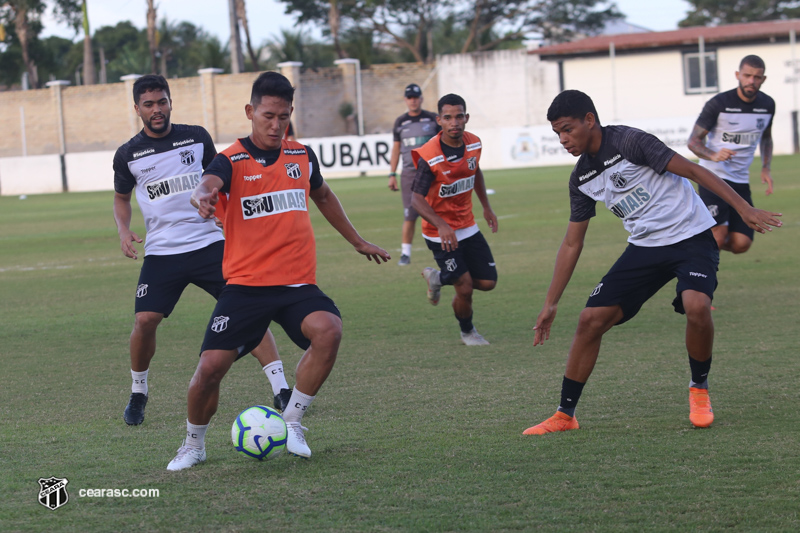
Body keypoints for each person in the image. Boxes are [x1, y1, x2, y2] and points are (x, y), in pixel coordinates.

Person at [167, 71, 390, 471]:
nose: (276, 124)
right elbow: (207, 184)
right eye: (268, 115)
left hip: (296, 284)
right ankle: (193, 444)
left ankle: (292, 422)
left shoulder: (301, 156)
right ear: (251, 112)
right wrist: (202, 196)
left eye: (283, 116)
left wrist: (358, 241)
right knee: (208, 371)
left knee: (329, 329)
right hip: (246, 287)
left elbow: (322, 194)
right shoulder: (231, 159)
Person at [524, 90, 781, 436]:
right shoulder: (582, 177)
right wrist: (550, 303)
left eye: (568, 129)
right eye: (557, 134)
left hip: (691, 235)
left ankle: (699, 389)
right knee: (590, 320)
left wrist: (744, 209)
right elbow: (572, 242)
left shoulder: (629, 141)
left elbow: (693, 170)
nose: (563, 140)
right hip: (645, 247)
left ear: (589, 120)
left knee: (697, 306)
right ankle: (565, 415)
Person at [113, 75, 291, 428]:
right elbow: (121, 198)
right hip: (163, 252)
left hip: (210, 243)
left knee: (249, 311)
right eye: (149, 104)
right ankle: (138, 391)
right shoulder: (128, 154)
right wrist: (122, 230)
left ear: (170, 102)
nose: (157, 109)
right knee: (145, 320)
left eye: (162, 101)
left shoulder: (196, 137)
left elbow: (221, 179)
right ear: (137, 109)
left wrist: (225, 214)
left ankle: (281, 387)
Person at [411, 93, 499, 346]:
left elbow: (475, 170)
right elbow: (416, 199)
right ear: (439, 120)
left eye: (459, 116)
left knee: (488, 282)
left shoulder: (474, 144)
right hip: (439, 232)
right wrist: (441, 225)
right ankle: (468, 332)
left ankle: (437, 278)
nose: (454, 122)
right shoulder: (430, 155)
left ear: (466, 118)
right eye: (448, 117)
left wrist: (486, 207)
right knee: (465, 286)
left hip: (468, 226)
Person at [688, 54, 775, 255]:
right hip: (712, 176)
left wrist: (765, 167)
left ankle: (694, 246)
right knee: (718, 235)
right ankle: (699, 279)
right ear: (738, 75)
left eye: (757, 77)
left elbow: (766, 138)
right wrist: (713, 154)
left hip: (740, 180)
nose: (751, 81)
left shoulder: (768, 105)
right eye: (747, 75)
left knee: (741, 244)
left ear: (763, 79)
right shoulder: (719, 103)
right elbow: (693, 142)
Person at [388, 83, 441, 266]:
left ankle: (444, 247)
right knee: (410, 215)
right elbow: (396, 149)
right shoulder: (400, 122)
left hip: (433, 173)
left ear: (421, 99)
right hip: (409, 174)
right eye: (409, 98)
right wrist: (392, 173)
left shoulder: (433, 119)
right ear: (405, 100)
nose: (413, 101)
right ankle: (405, 253)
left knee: (438, 211)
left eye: (416, 97)